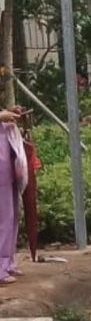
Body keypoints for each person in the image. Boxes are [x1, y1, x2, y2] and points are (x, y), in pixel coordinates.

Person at [0, 106, 30, 284]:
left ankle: (7, 261)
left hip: (7, 163)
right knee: (3, 218)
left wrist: (8, 112)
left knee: (11, 216)